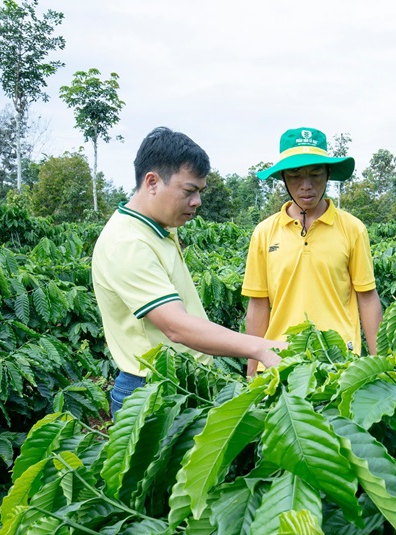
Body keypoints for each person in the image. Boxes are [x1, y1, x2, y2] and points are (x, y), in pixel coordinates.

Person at [92, 127, 286, 417]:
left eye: (200, 192)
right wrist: (260, 348)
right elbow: (176, 327)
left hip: (180, 383)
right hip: (152, 392)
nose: (197, 202)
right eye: (189, 191)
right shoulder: (128, 243)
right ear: (152, 182)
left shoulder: (157, 229)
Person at [242, 127, 383, 375]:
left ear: (328, 174)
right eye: (295, 175)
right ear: (284, 178)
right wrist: (252, 371)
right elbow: (258, 304)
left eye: (316, 174)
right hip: (278, 363)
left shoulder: (353, 229)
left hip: (338, 362)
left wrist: (380, 364)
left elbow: (367, 298)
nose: (306, 186)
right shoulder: (264, 233)